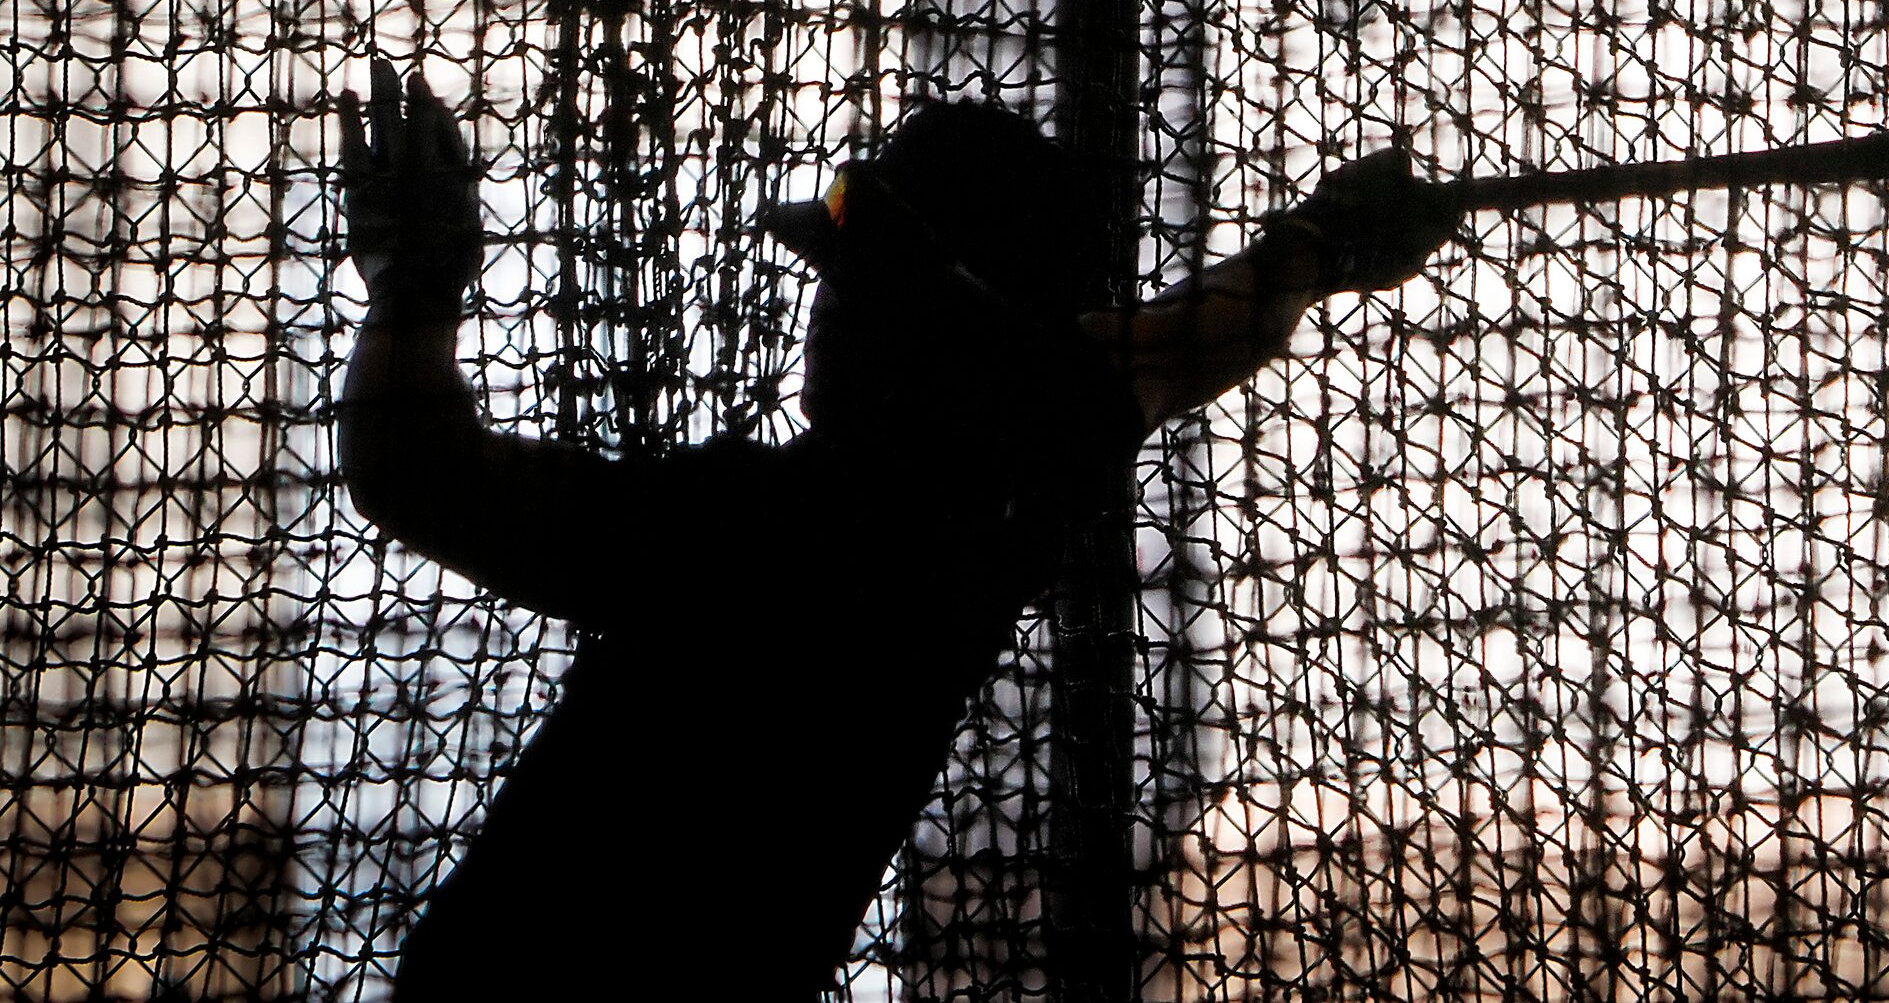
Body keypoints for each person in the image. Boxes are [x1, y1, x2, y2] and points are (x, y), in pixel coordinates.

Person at [334, 59, 1457, 1000]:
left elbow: (416, 476)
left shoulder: (768, 534)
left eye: (870, 285)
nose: (828, 310)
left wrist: (415, 293)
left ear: (942, 324)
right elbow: (1179, 342)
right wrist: (1321, 247)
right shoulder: (1010, 491)